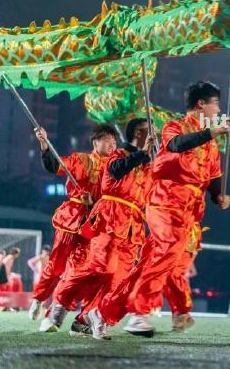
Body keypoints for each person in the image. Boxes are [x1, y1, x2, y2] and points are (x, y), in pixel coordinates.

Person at [88, 81, 230, 340]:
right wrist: (211, 133)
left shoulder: (212, 142)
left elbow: (214, 176)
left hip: (190, 209)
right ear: (202, 104)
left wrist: (218, 196)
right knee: (169, 250)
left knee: (152, 263)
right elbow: (177, 145)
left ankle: (103, 312)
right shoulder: (175, 127)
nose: (218, 109)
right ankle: (140, 313)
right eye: (215, 104)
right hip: (166, 200)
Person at [50, 118, 155, 337]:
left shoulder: (148, 163)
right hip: (111, 217)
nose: (155, 134)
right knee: (101, 268)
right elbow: (116, 171)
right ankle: (62, 297)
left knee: (118, 279)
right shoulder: (118, 155)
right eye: (150, 130)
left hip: (133, 226)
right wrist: (142, 153)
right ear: (138, 133)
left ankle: (91, 318)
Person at [30, 123, 118, 330]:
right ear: (95, 142)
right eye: (107, 139)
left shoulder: (115, 167)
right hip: (72, 218)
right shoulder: (82, 160)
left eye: (114, 141)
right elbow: (55, 166)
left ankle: (53, 314)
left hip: (94, 223)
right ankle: (39, 298)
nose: (112, 144)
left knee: (77, 269)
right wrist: (43, 142)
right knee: (56, 265)